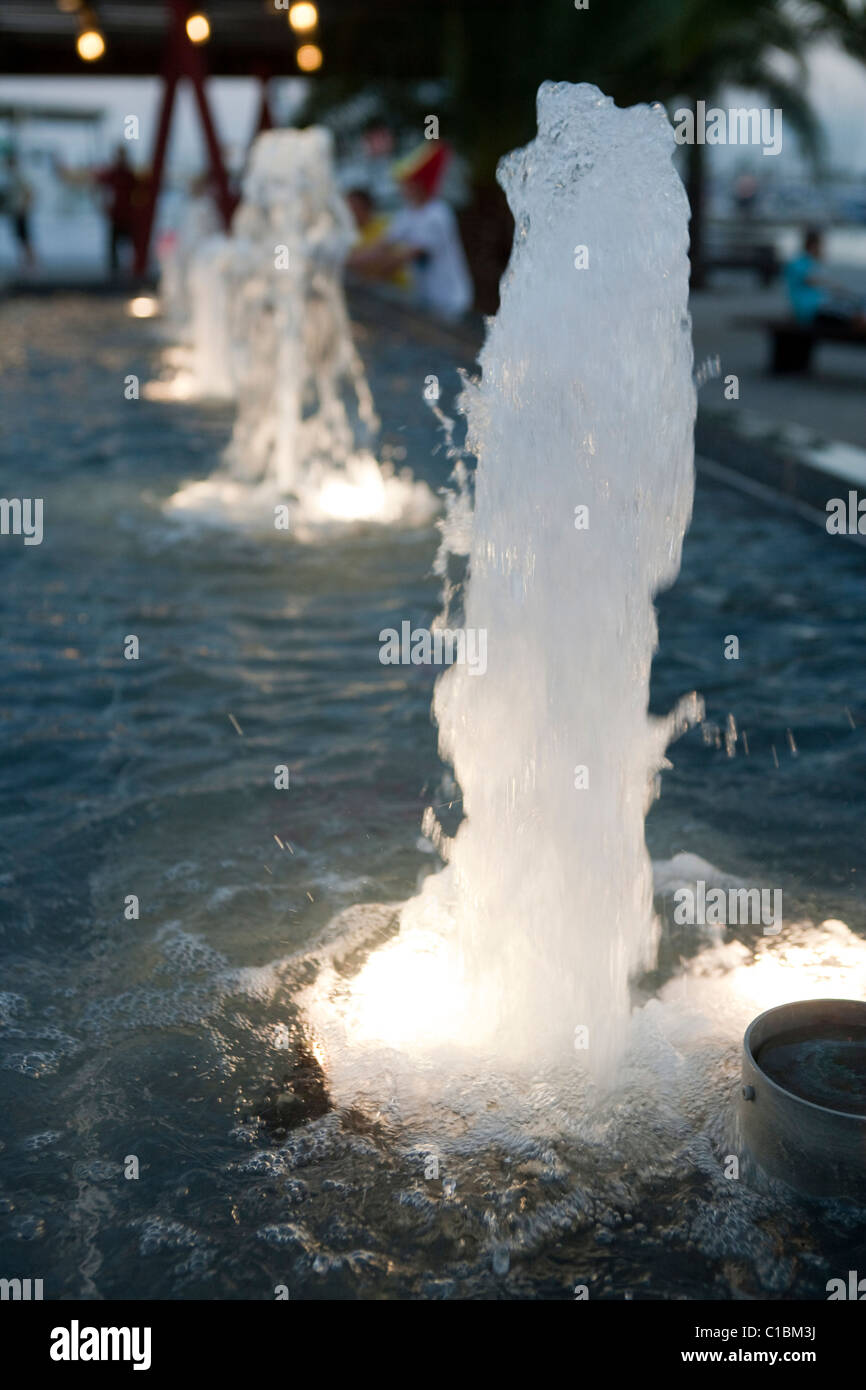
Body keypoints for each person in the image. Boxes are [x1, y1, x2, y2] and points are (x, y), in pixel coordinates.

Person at [347, 142, 473, 322]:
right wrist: (342, 261)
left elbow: (401, 258)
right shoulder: (407, 215)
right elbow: (379, 248)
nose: (401, 187)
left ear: (418, 184)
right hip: (427, 301)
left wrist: (361, 276)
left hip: (450, 302)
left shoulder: (437, 214)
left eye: (406, 182)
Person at [785, 228, 866, 331]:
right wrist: (835, 286)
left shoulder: (808, 262)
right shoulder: (798, 263)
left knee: (852, 309)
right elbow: (809, 279)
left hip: (817, 308)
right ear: (813, 246)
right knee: (853, 317)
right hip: (810, 311)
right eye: (821, 246)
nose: (823, 249)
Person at [344, 186, 409, 290]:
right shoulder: (347, 233)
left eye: (353, 208)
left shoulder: (388, 225)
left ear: (366, 208)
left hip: (397, 291)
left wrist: (350, 261)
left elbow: (390, 260)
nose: (348, 213)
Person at [3, 153, 34, 271]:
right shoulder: (11, 177)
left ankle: (32, 265)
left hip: (21, 212)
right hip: (15, 212)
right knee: (20, 239)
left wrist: (25, 207)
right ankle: (24, 265)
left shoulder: (19, 176)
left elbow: (29, 192)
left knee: (25, 238)